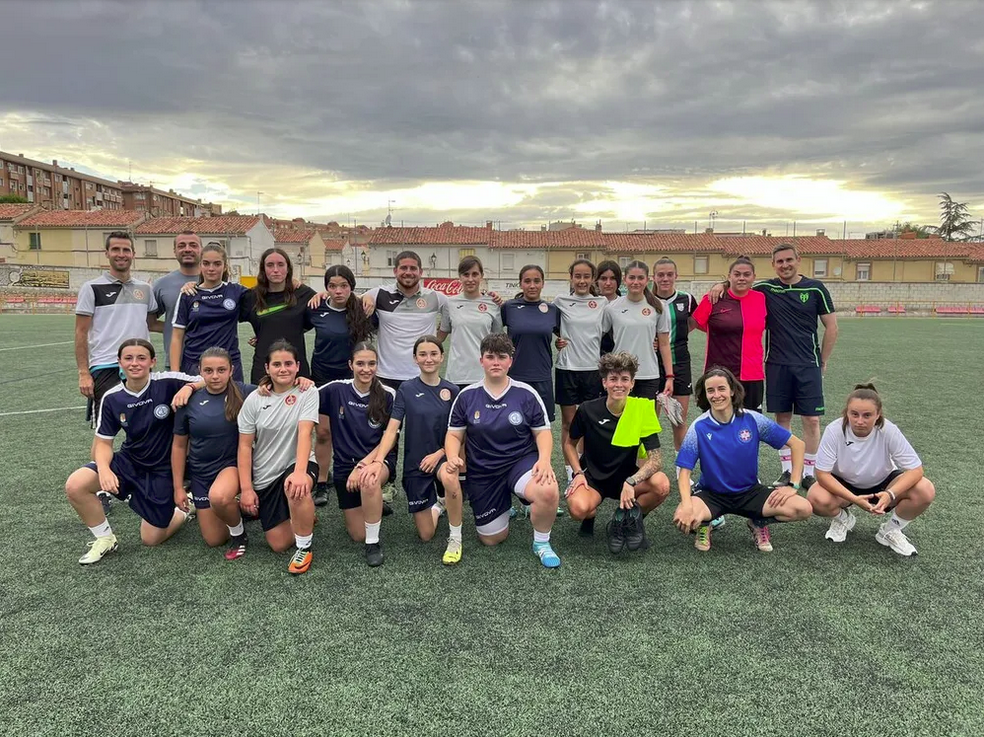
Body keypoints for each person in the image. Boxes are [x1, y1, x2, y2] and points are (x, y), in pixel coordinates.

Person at [709, 244, 839, 488]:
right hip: (776, 364)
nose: (785, 265)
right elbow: (740, 283)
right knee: (782, 418)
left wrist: (823, 360)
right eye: (779, 261)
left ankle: (809, 472)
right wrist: (721, 285)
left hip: (807, 363)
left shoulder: (815, 288)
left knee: (811, 420)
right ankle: (787, 470)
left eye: (789, 260)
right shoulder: (766, 289)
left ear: (798, 260)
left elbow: (831, 327)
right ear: (773, 264)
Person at [64, 339, 199, 564]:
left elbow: (207, 379)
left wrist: (189, 387)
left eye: (141, 358)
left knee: (151, 538)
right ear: (119, 363)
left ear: (152, 362)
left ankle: (185, 510)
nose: (134, 363)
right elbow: (103, 443)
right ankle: (105, 538)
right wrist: (105, 469)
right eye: (128, 358)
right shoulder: (112, 397)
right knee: (76, 484)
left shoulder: (167, 382)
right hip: (130, 461)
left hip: (162, 470)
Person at [438, 333, 562, 568]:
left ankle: (542, 542)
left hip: (520, 462)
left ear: (510, 362)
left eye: (502, 357)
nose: (496, 362)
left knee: (548, 490)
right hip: (484, 471)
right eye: (490, 357)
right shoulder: (467, 396)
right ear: (481, 360)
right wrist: (453, 456)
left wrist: (544, 460)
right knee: (491, 539)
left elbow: (542, 432)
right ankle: (509, 503)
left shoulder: (526, 393)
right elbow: (454, 434)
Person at [672, 368, 812, 553]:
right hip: (711, 494)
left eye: (721, 389)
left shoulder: (752, 419)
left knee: (803, 508)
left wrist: (793, 485)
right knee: (682, 518)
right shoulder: (699, 426)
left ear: (731, 390)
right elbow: (684, 473)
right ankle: (706, 523)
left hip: (750, 492)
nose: (716, 395)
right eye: (710, 391)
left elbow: (797, 445)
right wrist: (688, 506)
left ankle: (757, 521)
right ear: (705, 395)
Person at [362, 336, 462, 563]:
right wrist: (378, 460)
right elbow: (391, 430)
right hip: (416, 464)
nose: (429, 359)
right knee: (426, 534)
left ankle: (455, 538)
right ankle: (439, 505)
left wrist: (440, 453)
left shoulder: (452, 390)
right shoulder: (406, 389)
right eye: (423, 354)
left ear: (441, 357)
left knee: (450, 477)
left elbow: (458, 434)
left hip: (441, 456)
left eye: (434, 354)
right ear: (415, 359)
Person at [809, 384, 934, 557]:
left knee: (925, 489)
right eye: (854, 414)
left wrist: (890, 494)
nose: (860, 421)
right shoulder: (834, 430)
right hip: (845, 485)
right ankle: (843, 519)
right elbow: (822, 474)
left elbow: (916, 469)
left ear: (878, 414)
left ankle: (890, 531)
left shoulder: (888, 430)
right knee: (815, 496)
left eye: (867, 415)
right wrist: (854, 499)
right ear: (847, 412)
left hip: (883, 485)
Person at [563, 352, 671, 551]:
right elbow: (569, 444)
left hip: (627, 479)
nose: (618, 384)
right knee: (577, 509)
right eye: (613, 379)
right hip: (594, 479)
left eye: (624, 379)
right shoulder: (587, 409)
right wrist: (577, 473)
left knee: (661, 484)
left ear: (632, 383)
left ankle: (627, 520)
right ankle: (591, 515)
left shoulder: (641, 410)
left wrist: (632, 481)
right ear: (604, 383)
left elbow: (656, 460)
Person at [237, 340, 320, 575]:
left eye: (288, 364)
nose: (282, 369)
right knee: (278, 543)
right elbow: (244, 446)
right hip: (265, 474)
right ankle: (303, 515)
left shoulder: (308, 391)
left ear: (297, 366)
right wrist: (246, 489)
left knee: (296, 486)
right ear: (267, 369)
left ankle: (305, 547)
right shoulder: (254, 399)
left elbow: (306, 433)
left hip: (298, 463)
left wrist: (301, 472)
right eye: (276, 364)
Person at [318, 342, 397, 566]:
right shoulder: (336, 389)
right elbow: (302, 396)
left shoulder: (388, 394)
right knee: (356, 534)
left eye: (371, 363)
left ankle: (372, 543)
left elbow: (388, 439)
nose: (366, 369)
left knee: (369, 482)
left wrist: (362, 466)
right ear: (350, 364)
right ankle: (376, 505)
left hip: (377, 461)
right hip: (344, 466)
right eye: (360, 363)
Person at [171, 347, 256, 555]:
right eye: (208, 371)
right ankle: (234, 510)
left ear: (231, 370)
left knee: (218, 497)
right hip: (200, 472)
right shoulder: (188, 400)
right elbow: (179, 446)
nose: (215, 376)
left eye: (221, 370)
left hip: (231, 465)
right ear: (200, 370)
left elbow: (277, 386)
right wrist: (178, 487)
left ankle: (239, 533)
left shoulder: (245, 392)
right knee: (214, 539)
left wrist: (302, 382)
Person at [76, 232, 162, 427]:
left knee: (144, 425)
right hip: (105, 366)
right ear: (106, 253)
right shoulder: (91, 288)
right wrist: (83, 373)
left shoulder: (145, 289)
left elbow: (152, 324)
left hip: (140, 365)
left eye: (126, 250)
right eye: (115, 249)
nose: (121, 254)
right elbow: (80, 332)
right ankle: (99, 459)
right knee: (104, 428)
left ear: (133, 254)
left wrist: (191, 327)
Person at [307, 264, 374, 506]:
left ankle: (360, 476)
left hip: (353, 381)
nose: (338, 291)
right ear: (326, 289)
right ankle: (322, 483)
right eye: (332, 286)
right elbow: (290, 325)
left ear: (351, 287)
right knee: (323, 433)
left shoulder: (363, 309)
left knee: (356, 431)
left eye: (343, 285)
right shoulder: (315, 309)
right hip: (323, 380)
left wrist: (368, 298)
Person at [362, 251, 447, 391]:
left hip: (422, 375)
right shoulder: (380, 294)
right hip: (386, 376)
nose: (408, 272)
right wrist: (326, 294)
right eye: (403, 268)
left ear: (421, 272)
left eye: (413, 268)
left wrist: (437, 340)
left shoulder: (435, 297)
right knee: (386, 414)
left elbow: (457, 311)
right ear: (395, 271)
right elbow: (346, 299)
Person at [554, 259, 606, 483]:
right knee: (569, 423)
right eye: (578, 276)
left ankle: (586, 468)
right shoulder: (560, 301)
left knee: (589, 423)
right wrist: (558, 340)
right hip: (567, 369)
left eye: (586, 276)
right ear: (571, 278)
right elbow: (550, 324)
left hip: (593, 370)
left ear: (593, 278)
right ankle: (569, 472)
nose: (582, 281)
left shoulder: (602, 302)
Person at [692, 256, 767, 412]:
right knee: (716, 423)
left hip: (752, 374)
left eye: (746, 274)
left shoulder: (761, 298)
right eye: (737, 274)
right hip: (718, 374)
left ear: (754, 277)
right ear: (729, 276)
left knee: (749, 425)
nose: (741, 278)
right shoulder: (714, 298)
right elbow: (694, 324)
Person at [170, 243, 249, 380]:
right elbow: (177, 337)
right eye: (206, 263)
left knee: (232, 402)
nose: (211, 268)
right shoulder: (188, 294)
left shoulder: (236, 291)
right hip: (195, 365)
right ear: (200, 265)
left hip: (229, 364)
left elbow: (266, 301)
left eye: (217, 264)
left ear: (225, 266)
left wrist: (293, 283)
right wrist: (175, 375)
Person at [240, 248, 317, 383]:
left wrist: (367, 297)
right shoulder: (251, 297)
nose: (276, 270)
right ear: (263, 269)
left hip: (296, 370)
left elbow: (334, 303)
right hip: (263, 370)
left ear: (288, 268)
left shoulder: (304, 294)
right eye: (270, 265)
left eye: (281, 265)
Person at [602, 260, 673, 401]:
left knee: (644, 421)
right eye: (632, 278)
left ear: (648, 280)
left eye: (640, 278)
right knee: (620, 420)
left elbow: (664, 344)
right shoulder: (611, 308)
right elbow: (599, 337)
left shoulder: (659, 306)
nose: (636, 282)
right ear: (625, 280)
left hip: (648, 375)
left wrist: (670, 376)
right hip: (620, 376)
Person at [500, 264, 560, 423]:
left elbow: (563, 335)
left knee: (542, 424)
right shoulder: (509, 307)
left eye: (536, 281)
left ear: (543, 283)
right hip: (515, 375)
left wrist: (561, 343)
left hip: (542, 376)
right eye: (527, 281)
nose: (532, 285)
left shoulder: (553, 310)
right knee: (514, 423)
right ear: (520, 283)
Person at [652, 257, 698, 451]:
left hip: (680, 363)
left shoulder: (686, 299)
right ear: (653, 277)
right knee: (650, 420)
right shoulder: (647, 299)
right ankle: (644, 467)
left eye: (669, 274)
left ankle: (682, 469)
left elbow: (693, 322)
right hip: (652, 365)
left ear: (676, 276)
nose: (665, 278)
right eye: (660, 275)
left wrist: (676, 337)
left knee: (679, 419)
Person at [439, 256, 503, 392]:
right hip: (456, 375)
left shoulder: (492, 303)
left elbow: (499, 340)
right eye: (466, 274)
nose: (470, 279)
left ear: (481, 276)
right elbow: (440, 337)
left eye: (475, 274)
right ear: (460, 277)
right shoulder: (449, 304)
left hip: (484, 374)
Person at [152, 230, 202, 369]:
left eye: (193, 245)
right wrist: (176, 328)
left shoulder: (214, 281)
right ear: (174, 251)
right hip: (176, 363)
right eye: (181, 246)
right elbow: (150, 323)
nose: (187, 249)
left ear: (201, 250)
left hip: (212, 364)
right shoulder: (162, 284)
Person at [595, 259, 622, 355]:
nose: (608, 283)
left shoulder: (626, 305)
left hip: (620, 359)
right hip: (592, 360)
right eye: (603, 278)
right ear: (596, 280)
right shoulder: (589, 304)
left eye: (613, 278)